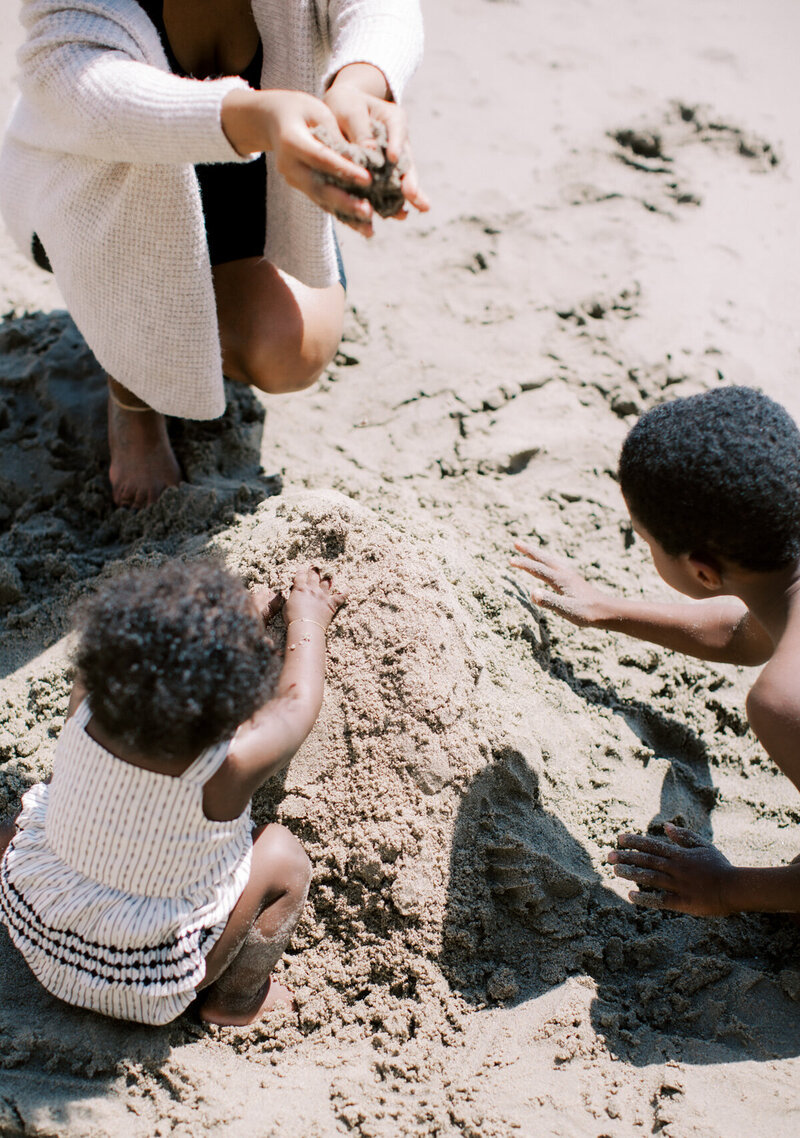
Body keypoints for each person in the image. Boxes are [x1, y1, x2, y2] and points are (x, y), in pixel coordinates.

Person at [0, 0, 428, 507]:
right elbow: (88, 94)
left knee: (291, 349)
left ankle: (170, 322)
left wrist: (358, 82)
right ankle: (131, 394)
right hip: (105, 170)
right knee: (130, 238)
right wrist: (262, 119)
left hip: (257, 155)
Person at [0, 559, 345, 1025]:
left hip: (38, 931)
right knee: (283, 856)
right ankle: (235, 1002)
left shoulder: (87, 697)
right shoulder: (228, 766)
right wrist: (308, 618)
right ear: (235, 704)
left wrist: (233, 624)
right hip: (148, 980)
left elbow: (158, 665)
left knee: (26, 823)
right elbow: (297, 700)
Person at [511, 386, 800, 917]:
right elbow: (744, 631)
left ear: (703, 571)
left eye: (644, 540)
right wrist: (605, 609)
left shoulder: (783, 701)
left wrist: (724, 887)